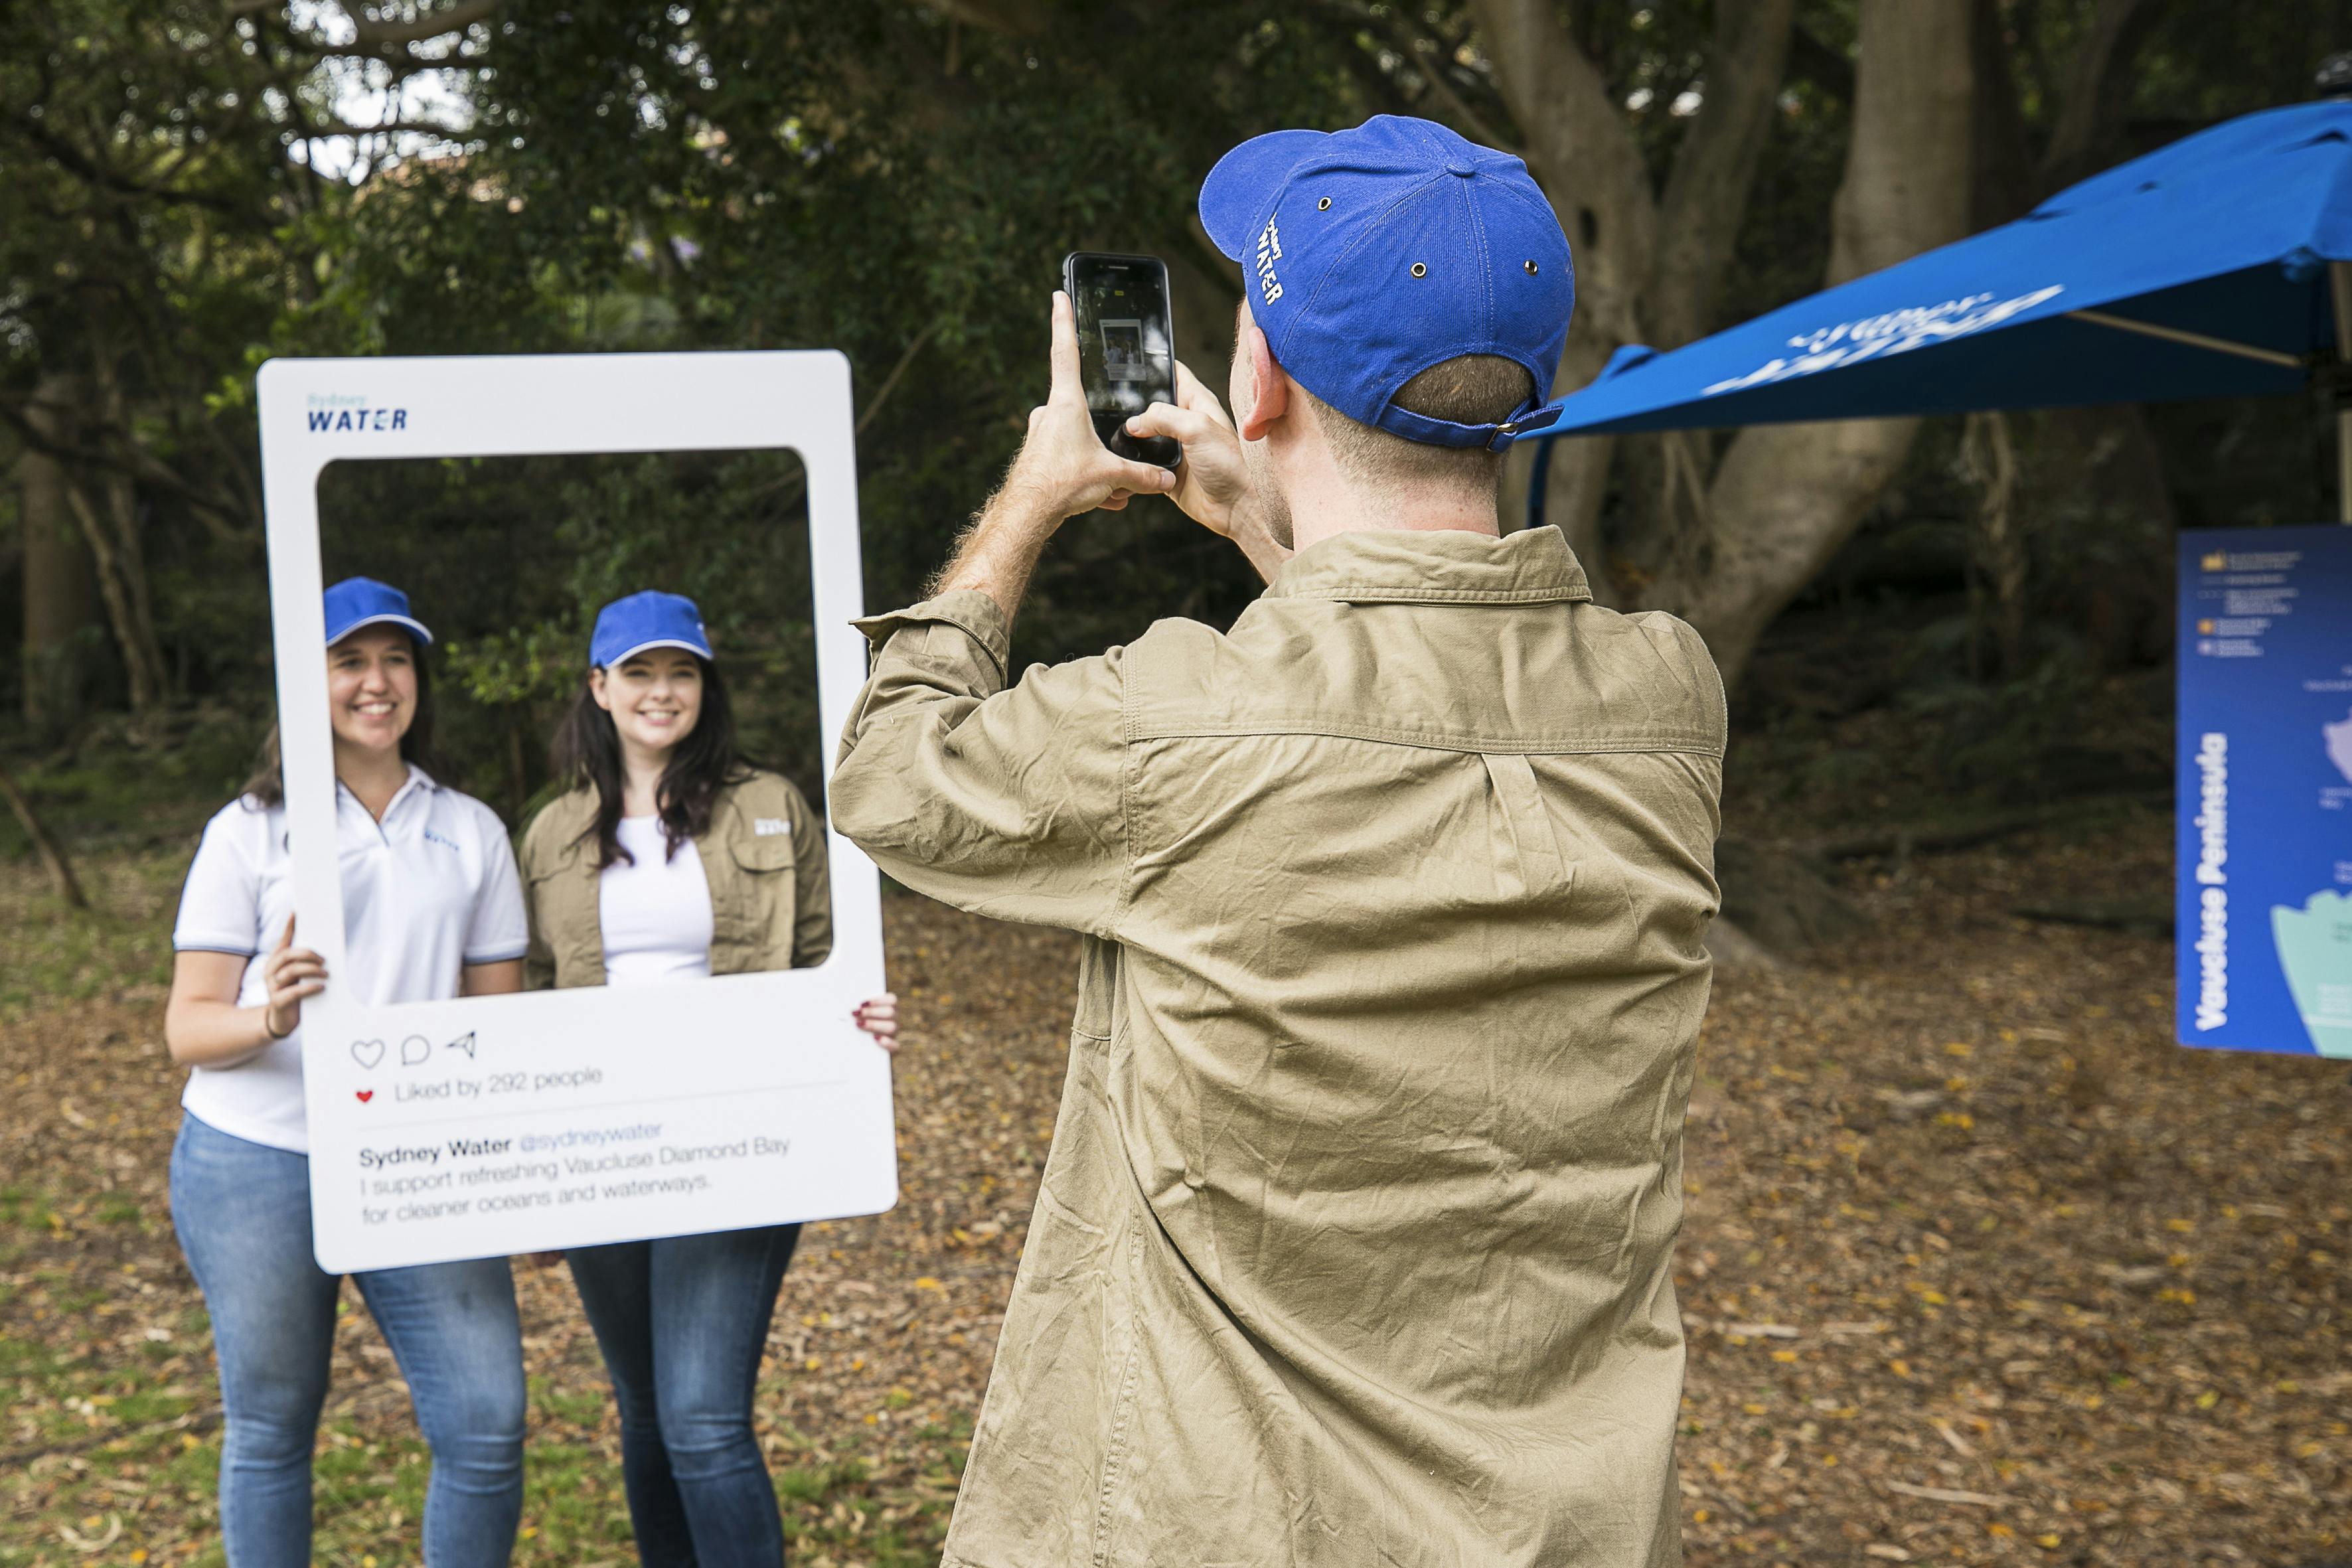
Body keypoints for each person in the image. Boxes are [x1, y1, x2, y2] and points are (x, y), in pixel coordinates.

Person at [830, 115, 1725, 1567]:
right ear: (1523, 391)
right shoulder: (1666, 700)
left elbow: (888, 771)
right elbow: (1420, 709)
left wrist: (1030, 499)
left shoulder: (1179, 721)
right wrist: (1279, 544)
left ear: (1253, 382)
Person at [518, 589, 898, 1568]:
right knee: (645, 1410)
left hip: (735, 1139)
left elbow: (826, 959)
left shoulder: (770, 805)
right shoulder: (551, 834)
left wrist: (861, 1017)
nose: (661, 691)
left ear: (704, 685)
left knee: (700, 1415)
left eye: (680, 671)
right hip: (598, 1146)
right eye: (638, 672)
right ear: (598, 688)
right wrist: (530, 1180)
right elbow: (529, 1001)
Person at [164, 577, 530, 1568]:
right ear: (307, 681)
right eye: (350, 662)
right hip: (258, 1158)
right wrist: (269, 1012)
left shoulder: (473, 829)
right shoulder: (249, 828)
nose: (378, 682)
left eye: (396, 659)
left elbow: (499, 1028)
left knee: (488, 1424)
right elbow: (187, 1029)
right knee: (274, 1427)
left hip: (417, 1159)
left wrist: (515, 1170)